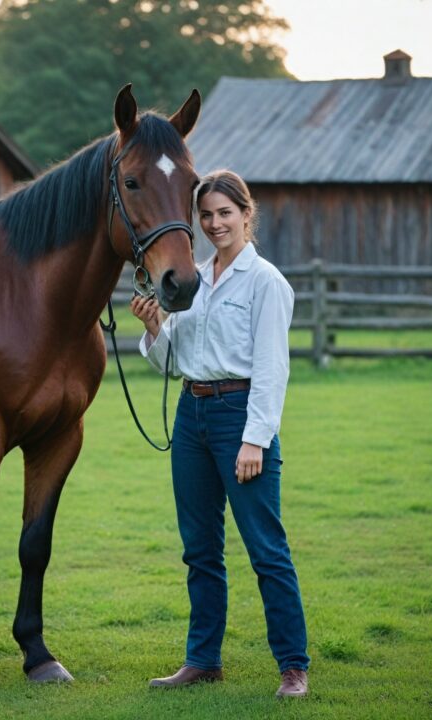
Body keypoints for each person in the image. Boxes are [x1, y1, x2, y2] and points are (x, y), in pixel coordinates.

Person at [131, 170, 309, 698]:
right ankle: (203, 660)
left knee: (266, 549)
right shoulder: (195, 278)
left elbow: (273, 370)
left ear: (246, 215)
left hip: (239, 419)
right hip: (192, 416)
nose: (214, 223)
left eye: (224, 213)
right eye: (205, 215)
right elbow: (176, 360)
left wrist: (255, 439)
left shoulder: (266, 283)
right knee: (200, 550)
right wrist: (154, 329)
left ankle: (293, 666)